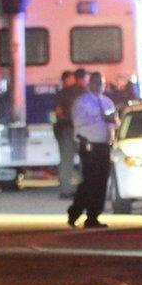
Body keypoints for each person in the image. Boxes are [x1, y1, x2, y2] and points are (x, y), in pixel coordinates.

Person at [67, 72, 119, 229]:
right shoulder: (82, 102)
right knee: (89, 181)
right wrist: (100, 117)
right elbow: (79, 121)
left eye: (101, 83)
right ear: (90, 84)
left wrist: (112, 121)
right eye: (96, 83)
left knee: (101, 182)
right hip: (88, 146)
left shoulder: (108, 102)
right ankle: (75, 212)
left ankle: (93, 216)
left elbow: (115, 121)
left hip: (104, 146)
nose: (98, 86)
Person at [53, 70, 84, 198]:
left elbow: (58, 112)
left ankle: (66, 190)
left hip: (65, 130)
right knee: (85, 160)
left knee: (65, 161)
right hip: (81, 130)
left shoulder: (60, 93)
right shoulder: (83, 91)